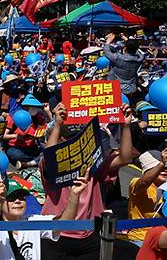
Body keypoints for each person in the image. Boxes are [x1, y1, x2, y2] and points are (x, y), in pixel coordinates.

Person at [40, 103, 135, 259]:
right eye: (69, 140)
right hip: (57, 234)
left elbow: (125, 157)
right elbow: (49, 157)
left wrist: (125, 126)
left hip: (89, 233)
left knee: (129, 252)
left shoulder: (94, 167)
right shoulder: (52, 166)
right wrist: (57, 124)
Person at [0, 175, 88, 260]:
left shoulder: (33, 220)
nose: (18, 201)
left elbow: (63, 223)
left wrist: (75, 195)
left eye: (21, 197)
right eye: (11, 198)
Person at [126, 148, 167, 245]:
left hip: (165, 239)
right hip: (141, 239)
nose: (165, 170)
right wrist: (161, 164)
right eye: (162, 168)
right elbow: (143, 183)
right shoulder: (136, 182)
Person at [103, 33, 144, 98]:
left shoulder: (118, 58)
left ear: (125, 48)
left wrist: (108, 42)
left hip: (115, 88)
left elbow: (106, 52)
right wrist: (128, 41)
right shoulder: (139, 59)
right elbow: (137, 51)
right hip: (131, 89)